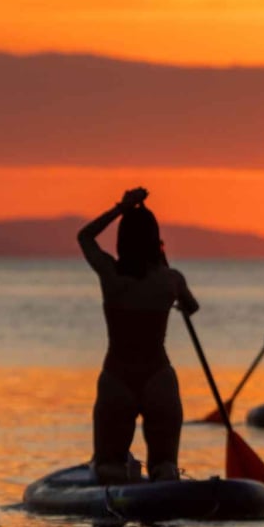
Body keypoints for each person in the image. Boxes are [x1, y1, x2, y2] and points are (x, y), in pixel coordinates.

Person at [78, 188, 198, 484]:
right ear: (156, 242)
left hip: (117, 377)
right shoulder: (171, 279)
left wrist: (121, 207)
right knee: (165, 468)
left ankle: (125, 475)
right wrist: (164, 264)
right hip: (159, 378)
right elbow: (191, 307)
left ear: (122, 240)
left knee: (108, 468)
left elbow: (85, 237)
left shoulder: (111, 274)